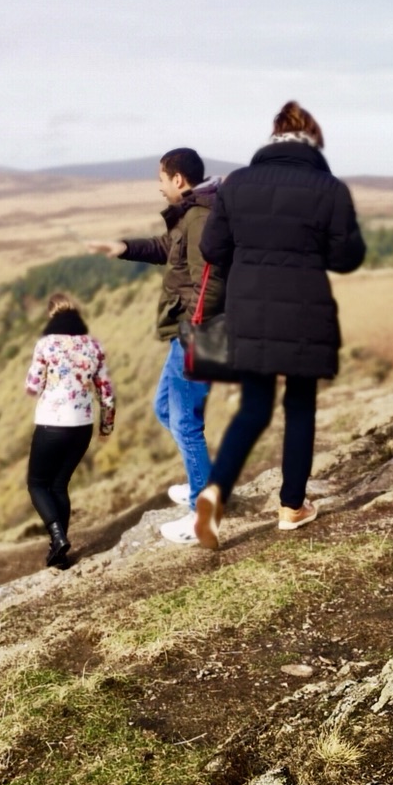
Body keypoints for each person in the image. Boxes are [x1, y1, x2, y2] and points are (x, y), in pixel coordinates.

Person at [193, 101, 365, 549]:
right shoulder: (329, 188)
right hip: (305, 307)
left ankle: (214, 492)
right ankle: (292, 508)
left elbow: (213, 248)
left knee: (253, 407)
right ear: (313, 140)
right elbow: (347, 257)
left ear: (273, 137)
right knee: (300, 405)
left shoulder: (237, 184)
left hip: (249, 309)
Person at [89, 148, 219, 545]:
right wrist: (124, 247)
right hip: (188, 333)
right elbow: (167, 249)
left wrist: (193, 328)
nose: (159, 186)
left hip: (197, 335)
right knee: (165, 408)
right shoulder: (192, 214)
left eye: (161, 178)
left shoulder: (200, 218)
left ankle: (204, 512)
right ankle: (206, 485)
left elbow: (211, 283)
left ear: (178, 179)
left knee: (185, 422)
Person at [21, 293, 116, 569]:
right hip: (82, 426)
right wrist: (106, 427)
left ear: (52, 317)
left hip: (52, 422)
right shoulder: (94, 346)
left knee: (37, 484)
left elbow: (32, 386)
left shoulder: (46, 345)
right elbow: (107, 393)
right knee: (60, 485)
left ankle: (57, 536)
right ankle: (58, 553)